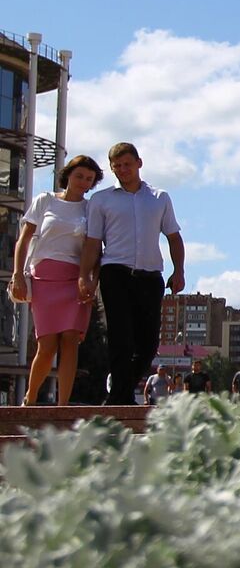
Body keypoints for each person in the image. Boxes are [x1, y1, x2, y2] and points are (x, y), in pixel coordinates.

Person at [77, 143, 184, 405]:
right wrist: (85, 276)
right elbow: (92, 243)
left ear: (139, 163)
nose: (123, 170)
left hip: (150, 276)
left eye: (127, 164)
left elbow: (173, 237)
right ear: (112, 168)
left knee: (147, 346)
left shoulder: (159, 198)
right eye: (117, 166)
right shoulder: (101, 200)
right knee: (120, 338)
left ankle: (118, 392)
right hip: (115, 273)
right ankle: (119, 401)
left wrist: (178, 271)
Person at [8, 154, 102, 406]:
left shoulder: (91, 208)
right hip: (44, 278)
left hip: (76, 280)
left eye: (89, 179)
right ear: (68, 175)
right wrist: (17, 274)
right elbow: (23, 240)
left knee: (70, 341)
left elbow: (96, 250)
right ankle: (30, 397)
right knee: (47, 344)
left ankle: (62, 406)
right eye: (79, 176)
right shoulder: (45, 200)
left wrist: (92, 281)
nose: (83, 182)